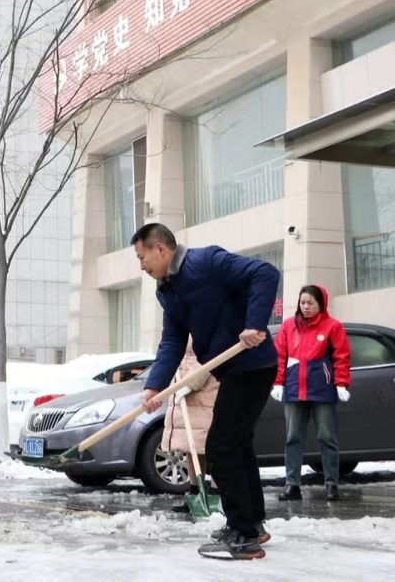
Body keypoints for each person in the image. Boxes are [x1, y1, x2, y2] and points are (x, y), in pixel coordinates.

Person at [133, 223, 280, 561]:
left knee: (221, 446)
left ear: (160, 249)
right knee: (237, 444)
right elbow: (173, 339)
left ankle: (243, 535)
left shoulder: (206, 262)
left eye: (142, 257)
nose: (141, 266)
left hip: (252, 363)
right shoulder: (167, 289)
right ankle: (252, 524)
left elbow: (265, 273)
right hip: (232, 369)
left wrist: (255, 323)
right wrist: (155, 387)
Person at [271, 285, 351, 502]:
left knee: (327, 437)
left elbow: (342, 356)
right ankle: (292, 485)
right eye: (302, 302)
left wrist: (341, 384)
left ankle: (331, 483)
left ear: (320, 304)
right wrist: (278, 383)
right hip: (294, 390)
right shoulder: (289, 326)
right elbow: (280, 356)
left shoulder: (333, 326)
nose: (305, 307)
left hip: (322, 390)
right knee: (293, 438)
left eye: (310, 303)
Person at [161, 340, 220, 514]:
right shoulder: (181, 328)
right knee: (191, 446)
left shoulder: (204, 325)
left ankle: (218, 495)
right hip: (185, 390)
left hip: (206, 391)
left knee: (212, 448)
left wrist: (191, 383)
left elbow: (210, 355)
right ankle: (195, 492)